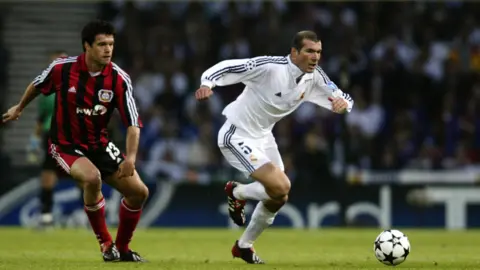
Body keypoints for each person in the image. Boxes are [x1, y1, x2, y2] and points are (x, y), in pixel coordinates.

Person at [195, 30, 354, 264]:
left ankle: (244, 246)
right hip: (236, 133)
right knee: (281, 185)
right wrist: (207, 83)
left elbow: (343, 98)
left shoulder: (315, 77)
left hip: (264, 137)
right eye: (310, 51)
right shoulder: (270, 67)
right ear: (294, 52)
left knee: (279, 197)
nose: (315, 57)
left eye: (318, 52)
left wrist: (343, 106)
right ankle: (236, 192)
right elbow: (230, 66)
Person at [2, 20, 148, 262]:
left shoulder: (119, 79)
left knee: (139, 192)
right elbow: (37, 85)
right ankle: (105, 243)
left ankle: (122, 249)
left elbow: (133, 123)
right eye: (102, 44)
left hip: (99, 144)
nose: (108, 49)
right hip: (65, 144)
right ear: (86, 46)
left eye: (111, 44)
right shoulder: (62, 68)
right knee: (92, 178)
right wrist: (19, 107)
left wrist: (131, 158)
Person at [35, 50, 68, 228]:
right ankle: (46, 214)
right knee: (48, 174)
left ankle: (88, 213)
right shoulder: (46, 89)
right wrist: (35, 139)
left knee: (83, 174)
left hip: (74, 134)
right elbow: (41, 117)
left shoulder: (79, 84)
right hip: (51, 134)